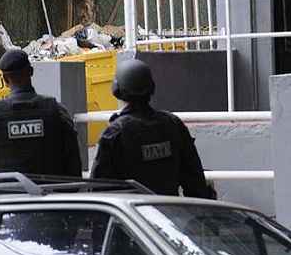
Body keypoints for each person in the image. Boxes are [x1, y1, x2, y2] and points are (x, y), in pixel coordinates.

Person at [90, 59, 212, 198]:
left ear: (116, 89)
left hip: (132, 215)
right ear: (151, 87)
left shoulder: (115, 132)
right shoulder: (173, 124)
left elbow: (98, 188)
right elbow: (195, 181)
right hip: (170, 212)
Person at [0, 49, 82, 177]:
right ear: (31, 71)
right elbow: (73, 161)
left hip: (7, 195)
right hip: (53, 194)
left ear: (4, 79)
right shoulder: (57, 111)